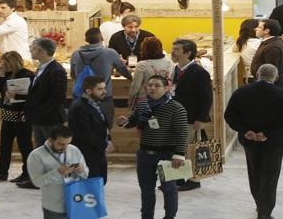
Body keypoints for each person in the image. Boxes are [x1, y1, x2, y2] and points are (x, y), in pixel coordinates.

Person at [224, 64, 283, 219]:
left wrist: (246, 130)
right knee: (270, 175)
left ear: (257, 74)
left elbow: (230, 115)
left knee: (255, 173)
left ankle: (259, 204)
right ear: (276, 77)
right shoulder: (281, 94)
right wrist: (266, 132)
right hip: (273, 142)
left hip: (250, 141)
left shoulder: (241, 91)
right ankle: (265, 211)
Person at [118, 75, 187, 219]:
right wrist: (124, 122)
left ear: (166, 88)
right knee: (146, 190)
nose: (152, 88)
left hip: (167, 156)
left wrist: (179, 154)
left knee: (168, 189)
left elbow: (182, 133)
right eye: (150, 85)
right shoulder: (143, 105)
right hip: (145, 155)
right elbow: (134, 121)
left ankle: (169, 216)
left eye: (157, 85)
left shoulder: (176, 108)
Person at [171, 39, 213, 192]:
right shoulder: (176, 69)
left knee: (190, 150)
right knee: (177, 148)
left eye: (176, 50)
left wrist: (201, 118)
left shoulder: (199, 72)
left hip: (191, 117)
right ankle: (177, 178)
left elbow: (206, 97)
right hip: (176, 116)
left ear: (188, 53)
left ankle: (193, 179)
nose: (173, 52)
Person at [0, 51, 34, 183]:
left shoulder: (27, 75)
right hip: (8, 113)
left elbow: (32, 96)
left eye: (5, 63)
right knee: (5, 144)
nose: (3, 65)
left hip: (22, 114)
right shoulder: (5, 76)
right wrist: (1, 75)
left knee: (24, 144)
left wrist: (17, 96)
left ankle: (27, 173)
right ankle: (2, 172)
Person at [26, 125, 88, 219]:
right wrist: (57, 173)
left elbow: (85, 174)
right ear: (50, 140)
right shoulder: (36, 156)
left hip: (76, 202)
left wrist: (82, 170)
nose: (65, 147)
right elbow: (37, 182)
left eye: (68, 143)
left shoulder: (74, 150)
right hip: (55, 207)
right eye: (61, 144)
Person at [23, 38, 68, 167]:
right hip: (39, 117)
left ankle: (53, 179)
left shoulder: (56, 71)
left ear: (41, 51)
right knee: (41, 150)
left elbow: (58, 98)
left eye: (32, 47)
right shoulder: (42, 67)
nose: (30, 50)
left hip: (50, 118)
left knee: (52, 151)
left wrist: (39, 111)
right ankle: (40, 178)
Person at [71, 26, 131, 118]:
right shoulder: (110, 53)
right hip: (103, 95)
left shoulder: (76, 54)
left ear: (86, 39)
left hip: (81, 95)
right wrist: (131, 78)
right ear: (101, 38)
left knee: (82, 124)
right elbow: (122, 70)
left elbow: (73, 74)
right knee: (104, 124)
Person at [68, 76, 111, 185]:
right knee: (91, 184)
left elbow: (103, 125)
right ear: (88, 91)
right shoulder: (79, 107)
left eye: (104, 88)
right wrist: (104, 144)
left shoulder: (95, 103)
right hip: (87, 153)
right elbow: (84, 133)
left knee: (100, 182)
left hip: (97, 151)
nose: (104, 92)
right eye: (100, 89)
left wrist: (108, 140)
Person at [129, 37, 174, 107]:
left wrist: (130, 98)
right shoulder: (170, 62)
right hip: (164, 98)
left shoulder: (142, 65)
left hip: (145, 98)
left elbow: (136, 85)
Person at [249, 19, 283, 85]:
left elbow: (270, 72)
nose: (255, 29)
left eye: (259, 27)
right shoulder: (270, 42)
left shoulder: (272, 47)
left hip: (268, 86)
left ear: (267, 31)